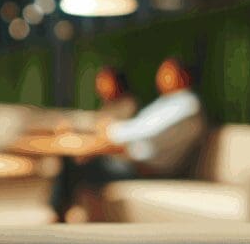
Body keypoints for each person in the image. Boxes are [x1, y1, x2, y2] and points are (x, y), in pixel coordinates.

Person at [50, 58, 205, 220]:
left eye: (166, 72)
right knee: (79, 162)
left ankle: (59, 216)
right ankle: (67, 213)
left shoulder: (186, 103)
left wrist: (106, 131)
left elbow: (140, 130)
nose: (159, 77)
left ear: (183, 76)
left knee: (73, 164)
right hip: (136, 164)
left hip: (149, 171)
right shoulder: (169, 102)